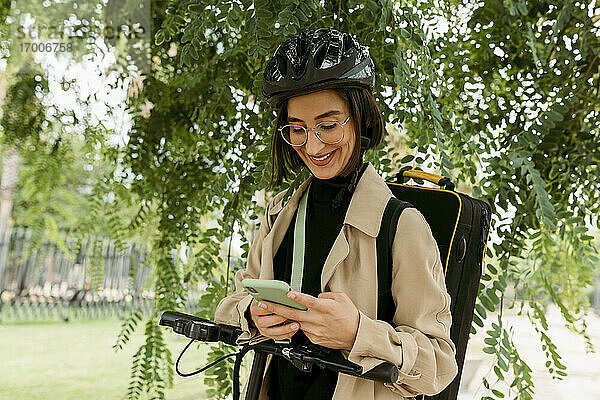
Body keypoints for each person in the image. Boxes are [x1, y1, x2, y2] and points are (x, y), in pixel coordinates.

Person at [214, 28, 458, 399]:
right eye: (297, 129)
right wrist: (252, 315)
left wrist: (358, 333)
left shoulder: (401, 226)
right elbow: (233, 304)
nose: (312, 145)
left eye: (328, 125)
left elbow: (438, 364)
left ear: (361, 118)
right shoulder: (278, 214)